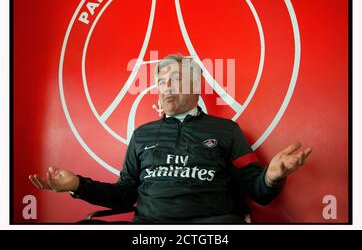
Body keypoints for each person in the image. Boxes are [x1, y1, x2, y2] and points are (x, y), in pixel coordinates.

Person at [29, 54, 312, 223]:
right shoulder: (142, 135)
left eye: (175, 79)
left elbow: (258, 191)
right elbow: (124, 194)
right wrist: (78, 184)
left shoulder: (227, 130)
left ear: (195, 86)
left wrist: (272, 176)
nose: (165, 88)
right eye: (161, 82)